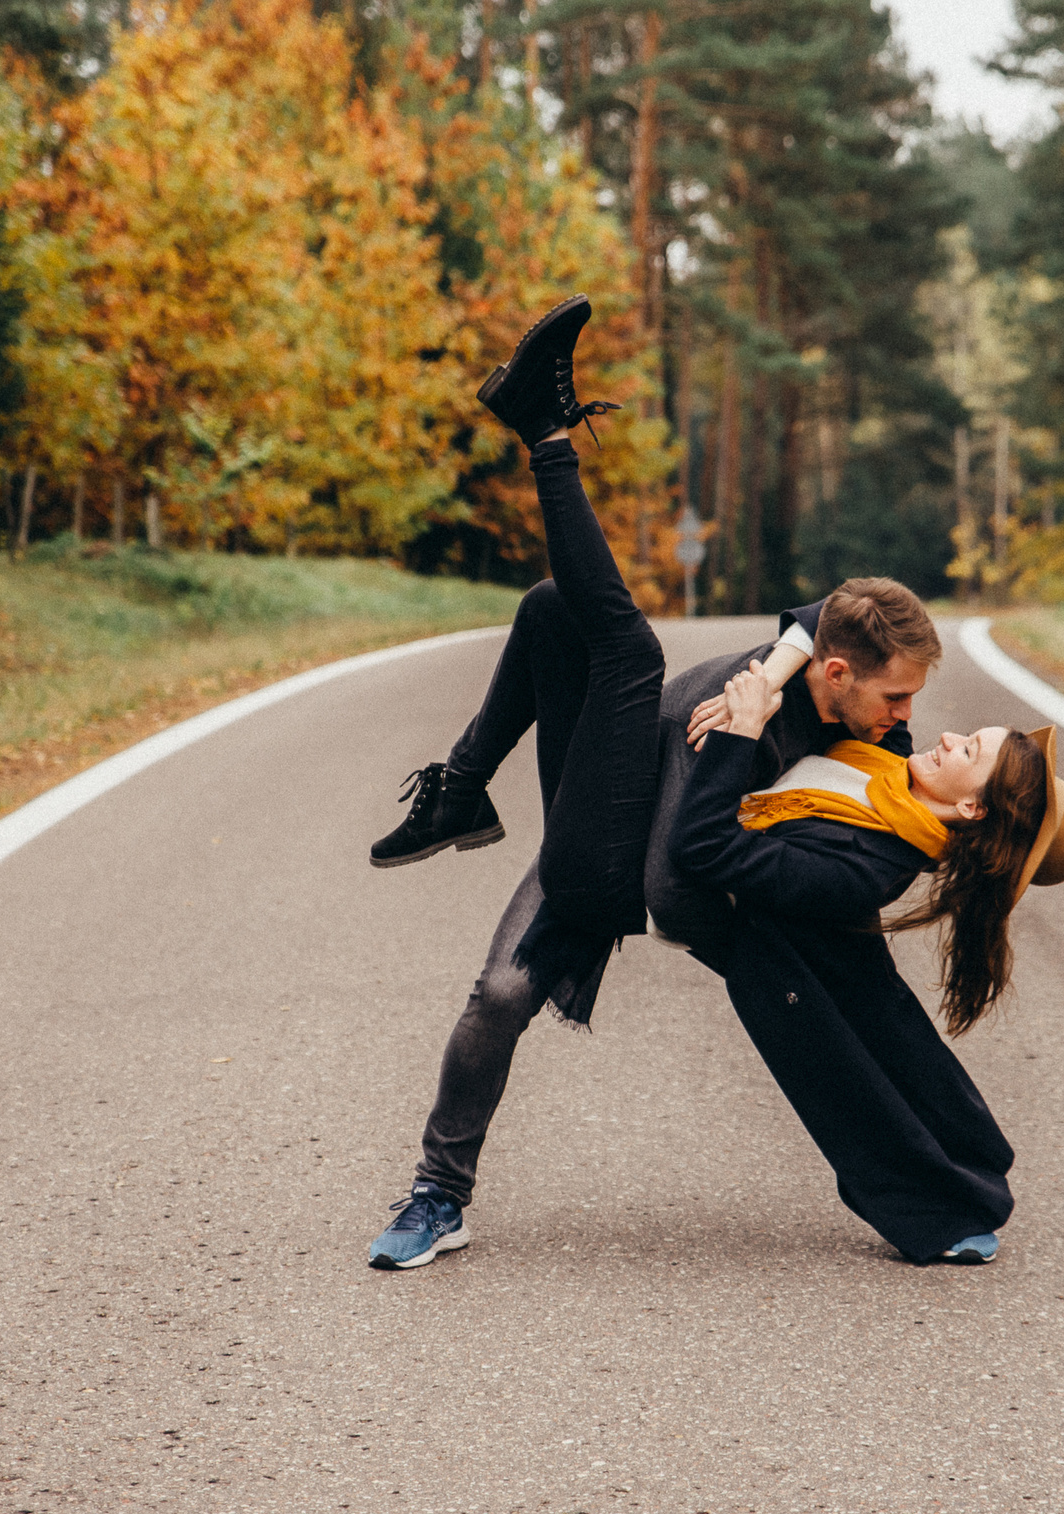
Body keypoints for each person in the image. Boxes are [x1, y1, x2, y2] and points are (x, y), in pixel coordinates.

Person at [361, 295, 949, 1269]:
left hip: (631, 864)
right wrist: (765, 674)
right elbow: (819, 611)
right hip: (600, 791)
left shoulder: (876, 755)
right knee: (558, 612)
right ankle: (437, 1194)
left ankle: (543, 430)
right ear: (835, 669)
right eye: (893, 694)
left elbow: (845, 909)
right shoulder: (807, 661)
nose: (904, 717)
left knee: (622, 647)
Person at [671, 672, 1064, 1263]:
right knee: (896, 1047)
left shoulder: (867, 866)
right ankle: (961, 1180)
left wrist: (741, 730)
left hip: (774, 969)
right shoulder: (885, 762)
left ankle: (942, 1205)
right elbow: (844, 634)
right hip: (807, 963)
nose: (947, 737)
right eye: (967, 735)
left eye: (968, 750)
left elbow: (703, 848)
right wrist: (773, 672)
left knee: (855, 1078)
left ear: (971, 805)